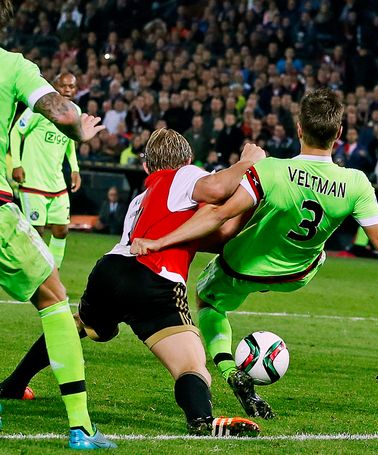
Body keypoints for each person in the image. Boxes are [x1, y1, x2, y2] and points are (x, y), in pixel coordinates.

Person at [130, 88, 378, 418]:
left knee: (208, 301)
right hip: (298, 273)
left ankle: (228, 370)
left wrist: (162, 239)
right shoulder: (355, 183)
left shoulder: (271, 171)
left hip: (242, 268)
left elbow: (217, 215)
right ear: (339, 133)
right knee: (310, 248)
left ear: (299, 128)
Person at [0, 129, 267, 436]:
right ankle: (202, 420)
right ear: (188, 160)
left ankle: (14, 384)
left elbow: (214, 236)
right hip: (153, 280)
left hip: (110, 271)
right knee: (191, 365)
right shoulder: (184, 175)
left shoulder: (142, 199)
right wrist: (247, 162)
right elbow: (217, 186)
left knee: (82, 326)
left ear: (145, 167)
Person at [0, 1, 115, 448]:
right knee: (55, 301)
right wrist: (80, 130)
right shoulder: (13, 66)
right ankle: (81, 427)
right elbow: (60, 110)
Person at [10, 72, 81, 269]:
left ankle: (53, 272)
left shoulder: (74, 110)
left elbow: (70, 141)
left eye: (71, 86)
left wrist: (74, 168)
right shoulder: (40, 109)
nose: (67, 90)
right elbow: (16, 131)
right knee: (37, 232)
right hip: (33, 181)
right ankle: (33, 274)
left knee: (61, 230)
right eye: (63, 85)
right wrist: (17, 163)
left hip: (57, 182)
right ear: (54, 86)